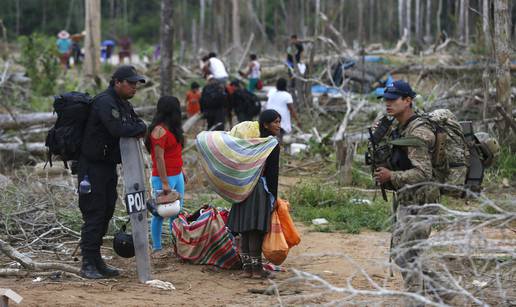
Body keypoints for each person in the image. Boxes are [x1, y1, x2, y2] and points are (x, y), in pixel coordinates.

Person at [373, 80, 440, 304]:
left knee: (407, 255)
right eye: (386, 99)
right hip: (406, 199)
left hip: (422, 202)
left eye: (393, 99)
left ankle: (416, 301)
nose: (388, 103)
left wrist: (391, 177)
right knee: (405, 253)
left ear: (408, 100)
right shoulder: (399, 127)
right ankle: (448, 293)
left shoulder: (419, 131)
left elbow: (423, 173)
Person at [78, 65, 147, 279]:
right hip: (92, 168)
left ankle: (97, 261)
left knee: (107, 211)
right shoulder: (104, 102)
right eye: (131, 83)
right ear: (117, 82)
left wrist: (138, 128)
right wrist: (138, 129)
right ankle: (88, 263)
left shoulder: (123, 104)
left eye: (136, 83)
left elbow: (137, 124)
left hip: (107, 166)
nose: (135, 87)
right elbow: (119, 129)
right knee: (95, 213)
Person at [227, 109, 281, 279]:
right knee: (256, 229)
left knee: (245, 229)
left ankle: (248, 269)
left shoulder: (249, 142)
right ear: (265, 124)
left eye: (279, 121)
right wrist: (273, 196)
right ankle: (257, 270)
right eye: (275, 122)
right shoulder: (271, 144)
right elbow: (273, 173)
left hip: (243, 186)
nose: (279, 126)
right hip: (259, 189)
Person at [144, 96, 185, 258]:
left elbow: (175, 152)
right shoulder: (159, 130)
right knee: (160, 212)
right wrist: (165, 182)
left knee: (176, 211)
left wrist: (182, 170)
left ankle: (176, 245)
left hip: (178, 174)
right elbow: (159, 158)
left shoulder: (172, 128)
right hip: (163, 177)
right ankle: (157, 247)